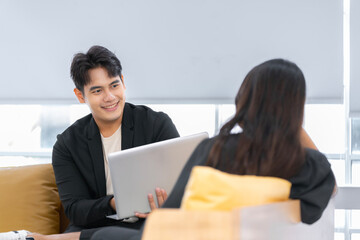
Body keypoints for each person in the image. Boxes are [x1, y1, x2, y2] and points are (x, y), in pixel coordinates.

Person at [88, 58, 336, 240]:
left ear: (246, 99)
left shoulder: (216, 149)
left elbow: (170, 213)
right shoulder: (311, 166)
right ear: (298, 106)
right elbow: (323, 198)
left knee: (101, 236)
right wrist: (290, 124)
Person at [26, 45, 179, 240]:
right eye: (97, 90)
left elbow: (181, 184)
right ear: (81, 95)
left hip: (150, 224)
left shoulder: (156, 124)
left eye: (114, 85)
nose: (110, 97)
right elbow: (75, 209)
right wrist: (114, 203)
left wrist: (166, 202)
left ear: (123, 82)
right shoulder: (67, 145)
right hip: (95, 227)